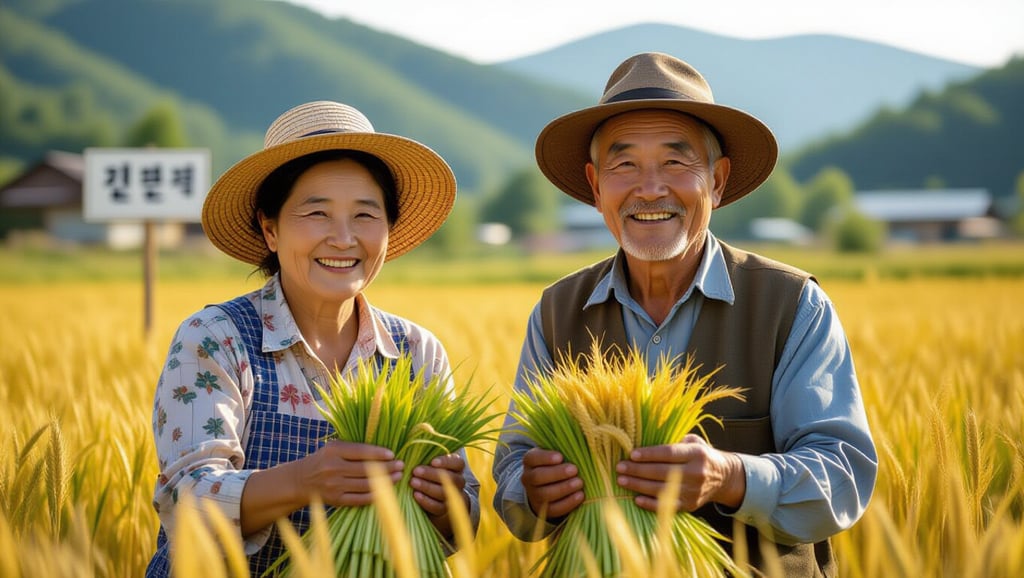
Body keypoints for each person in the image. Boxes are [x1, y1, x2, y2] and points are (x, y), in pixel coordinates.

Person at [492, 52, 877, 576]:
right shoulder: (557, 312)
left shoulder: (790, 305)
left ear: (717, 181)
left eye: (676, 161)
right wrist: (530, 490)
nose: (650, 188)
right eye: (624, 164)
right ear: (595, 185)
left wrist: (730, 477)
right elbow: (513, 467)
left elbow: (845, 474)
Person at [146, 100, 479, 576]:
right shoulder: (216, 338)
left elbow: (460, 528)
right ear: (270, 228)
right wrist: (306, 479)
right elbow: (188, 503)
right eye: (317, 213)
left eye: (366, 215)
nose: (343, 238)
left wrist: (442, 502)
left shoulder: (416, 352)